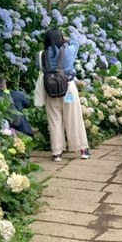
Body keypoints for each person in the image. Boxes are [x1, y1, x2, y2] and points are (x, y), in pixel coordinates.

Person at [34, 28, 91, 162]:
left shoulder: (42, 54)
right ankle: (82, 149)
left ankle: (57, 152)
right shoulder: (68, 51)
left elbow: (41, 69)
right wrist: (65, 40)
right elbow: (76, 43)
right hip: (68, 88)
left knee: (54, 121)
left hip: (50, 90)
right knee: (73, 119)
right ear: (61, 39)